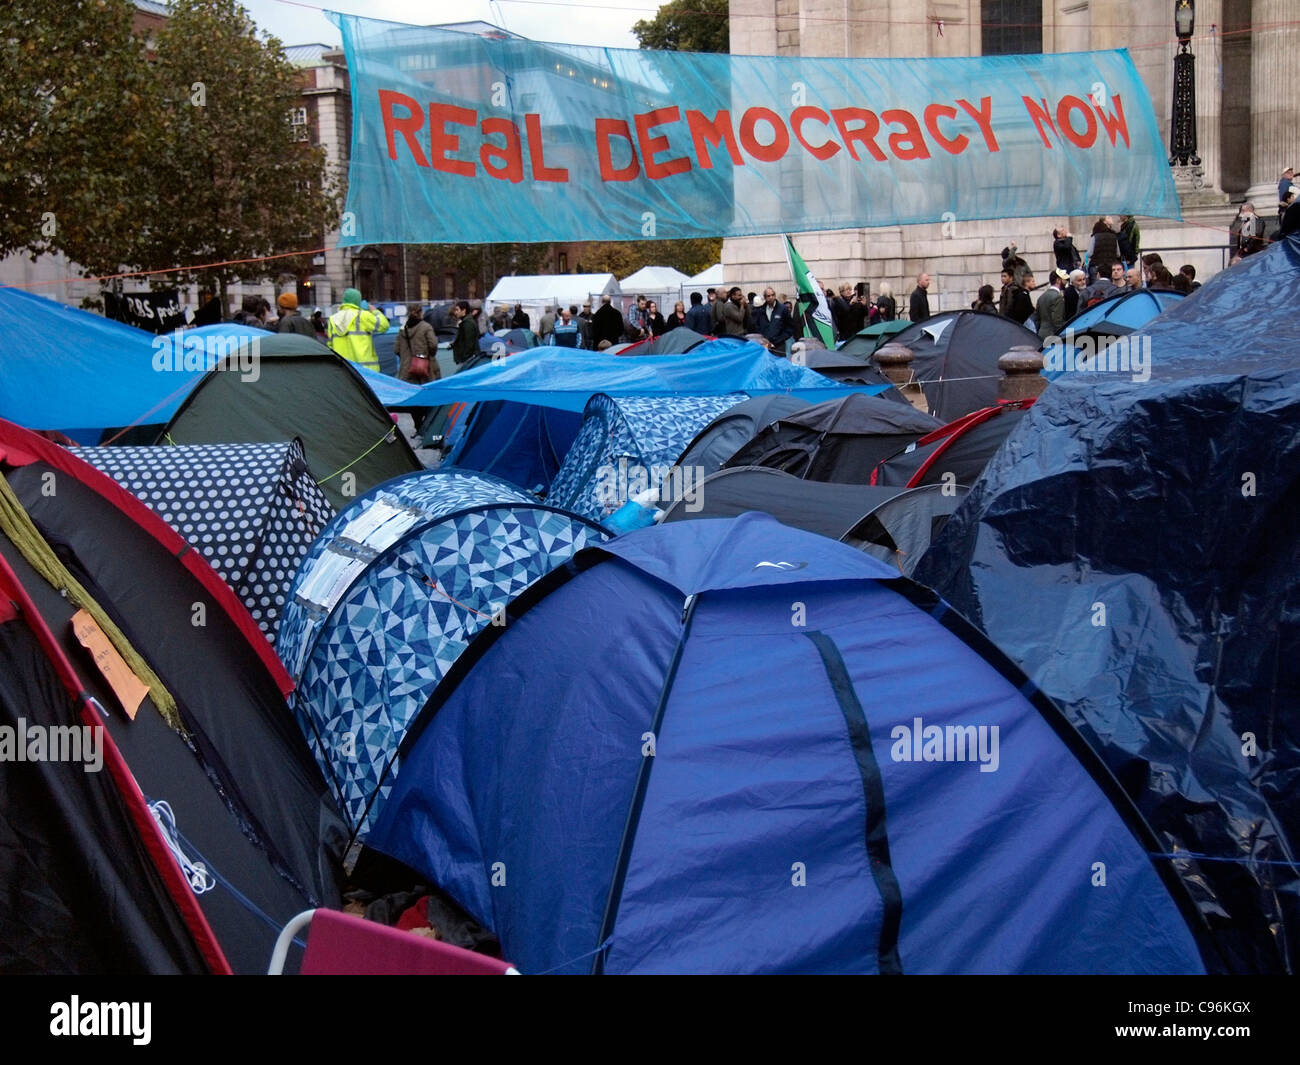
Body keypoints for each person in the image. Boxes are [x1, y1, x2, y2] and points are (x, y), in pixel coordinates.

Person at [327, 288, 389, 371]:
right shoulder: (363, 316)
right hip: (365, 371)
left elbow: (330, 345)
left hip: (343, 370)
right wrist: (374, 310)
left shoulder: (332, 319)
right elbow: (384, 326)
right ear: (358, 301)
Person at [394, 306, 439, 382]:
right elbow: (433, 345)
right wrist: (430, 355)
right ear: (421, 313)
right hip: (424, 367)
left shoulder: (403, 329)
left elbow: (396, 349)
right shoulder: (426, 327)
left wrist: (405, 357)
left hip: (406, 369)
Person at [1035, 270, 1067, 340]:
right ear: (1058, 280)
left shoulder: (1042, 296)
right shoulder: (1058, 297)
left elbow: (1037, 318)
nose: (1066, 282)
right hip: (1052, 335)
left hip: (1041, 334)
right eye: (1065, 279)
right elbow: (1057, 320)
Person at [450, 300, 479, 365]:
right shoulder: (465, 322)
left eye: (457, 310)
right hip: (465, 358)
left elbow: (469, 343)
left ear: (464, 310)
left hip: (466, 359)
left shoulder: (468, 323)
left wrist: (465, 358)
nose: (455, 312)